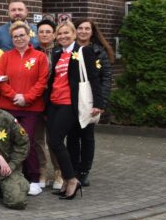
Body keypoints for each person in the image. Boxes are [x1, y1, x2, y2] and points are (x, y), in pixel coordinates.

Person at [45, 21, 103, 200]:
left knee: (55, 141)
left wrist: (98, 103)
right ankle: (66, 180)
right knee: (58, 142)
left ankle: (71, 179)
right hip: (54, 102)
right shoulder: (57, 52)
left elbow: (93, 78)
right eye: (59, 34)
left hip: (70, 103)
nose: (63, 36)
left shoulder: (83, 51)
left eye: (66, 33)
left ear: (73, 34)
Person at [0, 21, 50, 196]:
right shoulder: (5, 57)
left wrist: (26, 98)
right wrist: (13, 96)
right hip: (8, 107)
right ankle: (11, 176)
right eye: (15, 36)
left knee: (27, 140)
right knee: (8, 142)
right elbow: (1, 81)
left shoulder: (39, 57)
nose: (19, 38)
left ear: (29, 37)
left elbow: (42, 82)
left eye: (22, 35)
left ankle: (33, 177)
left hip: (31, 108)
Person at [74, 19, 114, 187]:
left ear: (92, 32)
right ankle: (73, 170)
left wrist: (100, 103)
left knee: (87, 137)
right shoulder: (69, 50)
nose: (83, 31)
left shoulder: (99, 52)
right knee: (72, 137)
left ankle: (84, 171)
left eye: (87, 29)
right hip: (71, 101)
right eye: (80, 28)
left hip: (90, 100)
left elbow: (106, 78)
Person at [33, 19, 61, 190]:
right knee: (37, 139)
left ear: (54, 34)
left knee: (53, 139)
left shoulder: (60, 53)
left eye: (48, 32)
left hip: (55, 102)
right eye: (41, 32)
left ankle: (59, 171)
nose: (44, 34)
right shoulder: (32, 52)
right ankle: (41, 170)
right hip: (36, 101)